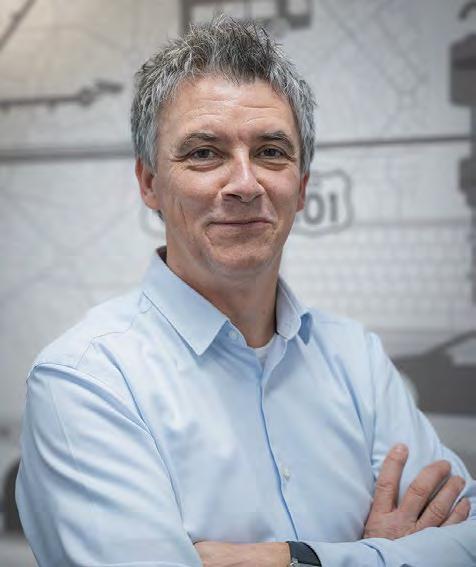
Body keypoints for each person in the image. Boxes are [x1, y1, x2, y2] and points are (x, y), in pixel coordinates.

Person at [16, 16, 475, 567]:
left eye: (271, 151)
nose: (244, 184)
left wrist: (293, 559)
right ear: (149, 183)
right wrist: (384, 555)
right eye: (204, 153)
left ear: (301, 187)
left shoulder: (357, 360)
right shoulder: (86, 380)